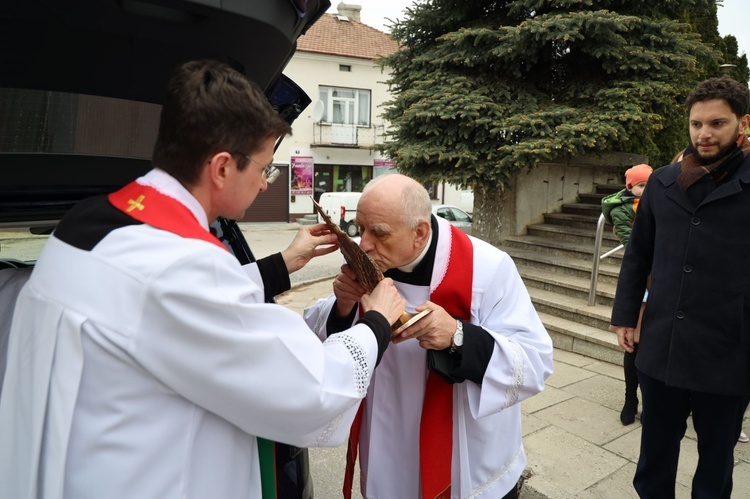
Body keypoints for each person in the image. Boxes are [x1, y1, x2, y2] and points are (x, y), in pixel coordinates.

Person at [0, 59, 407, 499]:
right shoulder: (185, 266)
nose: (267, 184)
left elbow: (168, 309)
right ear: (222, 167)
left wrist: (284, 262)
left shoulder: (94, 222)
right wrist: (377, 324)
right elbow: (312, 390)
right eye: (265, 168)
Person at [303, 174, 554, 499]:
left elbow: (534, 363)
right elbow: (320, 333)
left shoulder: (488, 268)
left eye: (378, 233)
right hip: (385, 452)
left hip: (465, 464)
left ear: (420, 233)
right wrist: (344, 305)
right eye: (359, 228)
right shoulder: (372, 260)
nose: (364, 244)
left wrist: (458, 336)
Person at [611, 75, 750, 498]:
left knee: (715, 466)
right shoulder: (663, 181)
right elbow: (638, 253)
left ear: (742, 124)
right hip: (662, 346)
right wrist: (625, 316)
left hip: (727, 354)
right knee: (654, 460)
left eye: (717, 123)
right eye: (696, 124)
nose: (704, 134)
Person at [601, 163, 653, 425]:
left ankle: (649, 401)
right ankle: (630, 398)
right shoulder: (626, 209)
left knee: (653, 347)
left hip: (668, 284)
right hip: (643, 285)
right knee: (634, 344)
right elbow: (632, 244)